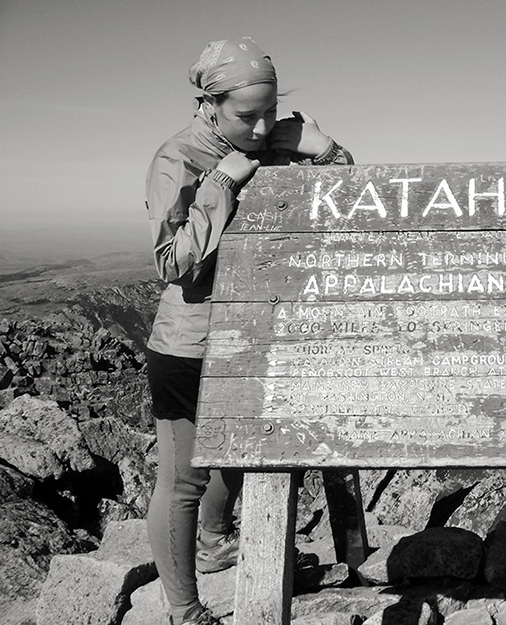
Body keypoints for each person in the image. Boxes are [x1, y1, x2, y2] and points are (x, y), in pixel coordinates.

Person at [144, 37, 352, 625]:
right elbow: (171, 262)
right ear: (208, 104)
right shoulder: (179, 157)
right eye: (246, 115)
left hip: (258, 338)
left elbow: (346, 212)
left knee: (240, 458)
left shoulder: (279, 147)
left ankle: (214, 543)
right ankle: (185, 612)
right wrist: (223, 184)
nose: (262, 129)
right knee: (184, 478)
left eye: (269, 111)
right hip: (192, 345)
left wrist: (328, 151)